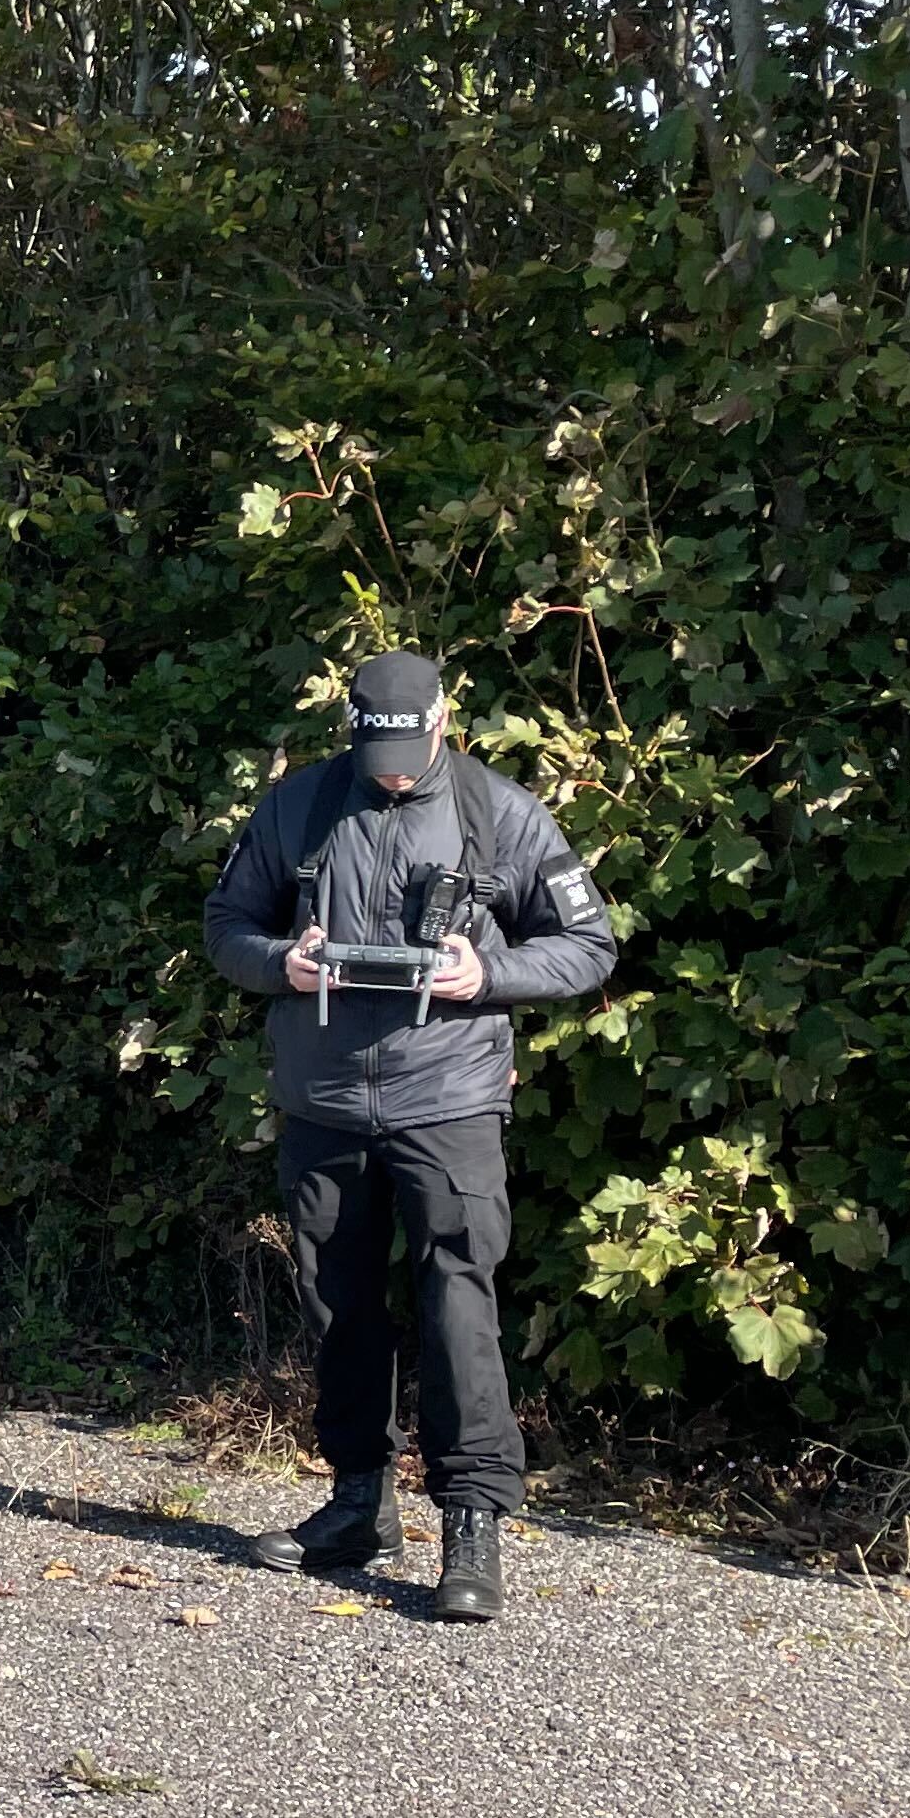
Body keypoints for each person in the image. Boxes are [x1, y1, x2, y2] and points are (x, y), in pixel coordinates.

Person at [199, 651, 617, 1620]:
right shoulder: (298, 808)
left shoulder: (499, 812)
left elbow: (591, 945)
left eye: (405, 747)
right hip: (326, 1102)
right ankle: (357, 1505)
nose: (390, 768)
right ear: (352, 729)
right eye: (372, 748)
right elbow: (228, 924)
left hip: (451, 1100)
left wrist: (490, 973)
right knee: (337, 1304)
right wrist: (280, 961)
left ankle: (472, 1527)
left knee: (457, 1303)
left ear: (440, 723)